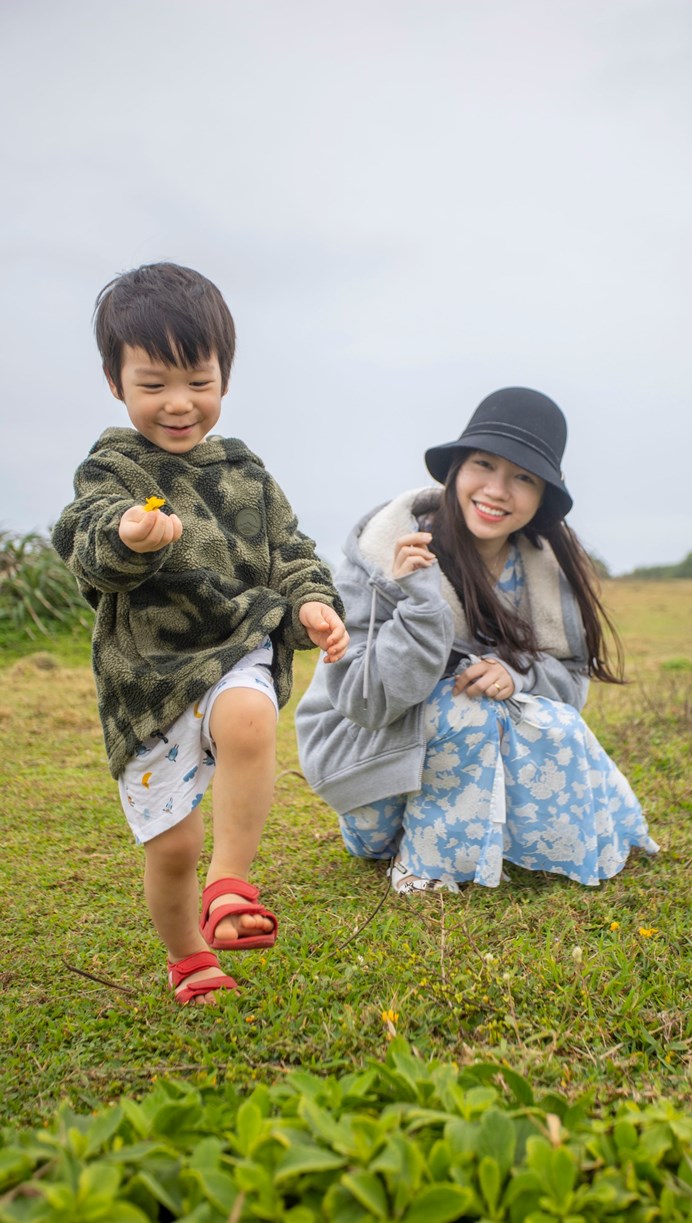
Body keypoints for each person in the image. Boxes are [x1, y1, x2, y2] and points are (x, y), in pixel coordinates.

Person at [53, 262, 348, 1003]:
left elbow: (290, 551)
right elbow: (84, 544)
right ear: (116, 383)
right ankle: (188, 954)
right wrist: (129, 534)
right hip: (146, 677)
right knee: (171, 846)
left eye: (198, 381)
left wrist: (312, 602)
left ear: (224, 375)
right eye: (153, 384)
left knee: (249, 715)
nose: (179, 404)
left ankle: (232, 882)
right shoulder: (113, 468)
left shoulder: (245, 470)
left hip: (233, 645)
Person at [296, 387, 657, 894]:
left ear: (541, 497)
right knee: (465, 706)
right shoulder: (385, 554)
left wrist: (518, 673)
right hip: (369, 757)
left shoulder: (543, 570)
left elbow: (573, 681)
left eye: (523, 477)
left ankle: (471, 840)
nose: (497, 489)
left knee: (551, 720)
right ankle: (423, 868)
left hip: (462, 755)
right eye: (484, 464)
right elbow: (364, 702)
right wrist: (420, 606)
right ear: (457, 469)